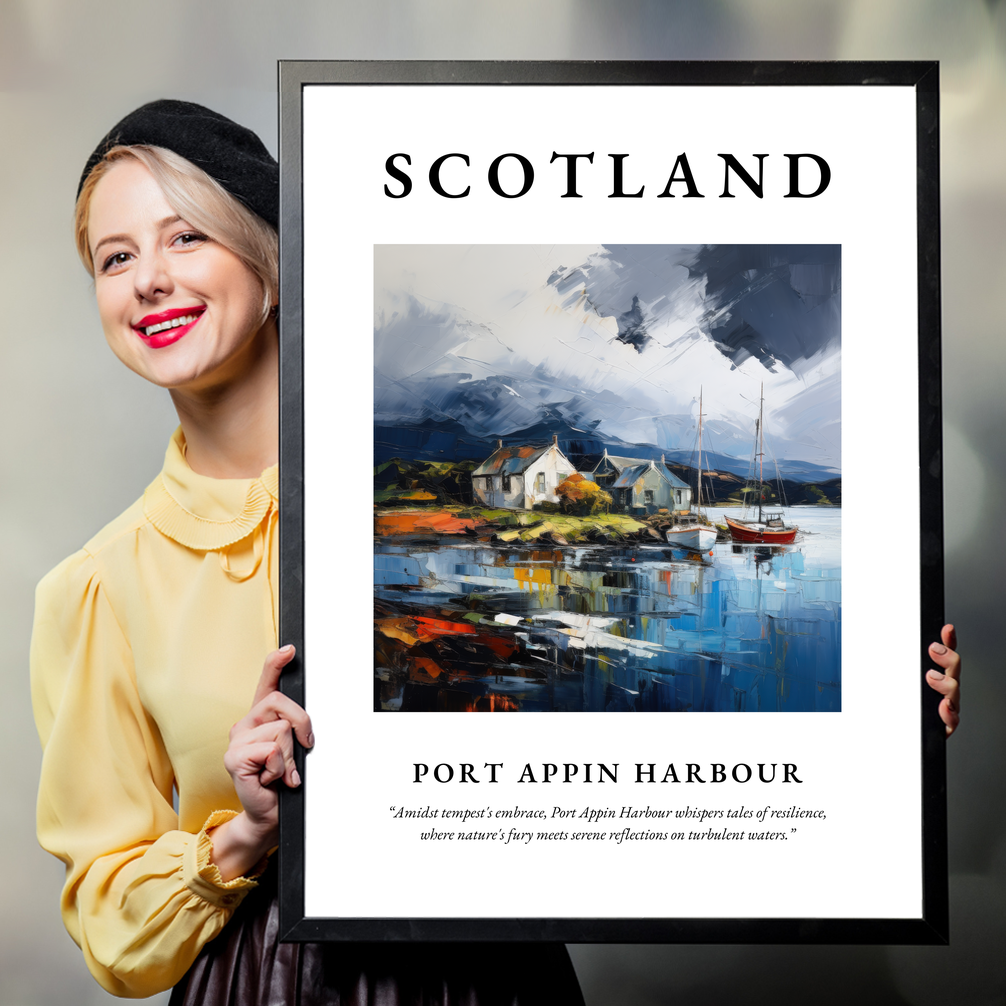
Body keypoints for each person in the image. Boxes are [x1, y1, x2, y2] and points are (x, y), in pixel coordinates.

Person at [30, 100, 585, 1004]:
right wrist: (245, 832)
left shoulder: (421, 508)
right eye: (116, 257)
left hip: (493, 973)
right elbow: (110, 925)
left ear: (274, 265)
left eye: (185, 239)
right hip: (263, 981)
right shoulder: (97, 586)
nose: (147, 281)